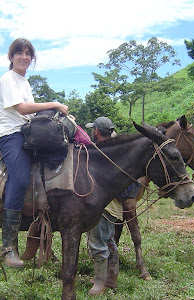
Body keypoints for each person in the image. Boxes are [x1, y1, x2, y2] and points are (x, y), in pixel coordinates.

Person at [0, 38, 68, 268]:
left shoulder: (24, 82)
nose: (25, 57)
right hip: (11, 135)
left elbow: (33, 115)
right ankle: (8, 247)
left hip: (27, 133)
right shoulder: (8, 79)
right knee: (19, 178)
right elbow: (22, 109)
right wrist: (54, 104)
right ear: (11, 57)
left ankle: (45, 237)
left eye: (28, 54)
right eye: (20, 53)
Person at [85, 117, 123, 296]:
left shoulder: (104, 152)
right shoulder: (115, 149)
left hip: (105, 205)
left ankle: (100, 283)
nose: (92, 132)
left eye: (93, 130)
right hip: (114, 206)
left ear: (96, 131)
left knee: (98, 242)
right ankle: (111, 277)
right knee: (109, 240)